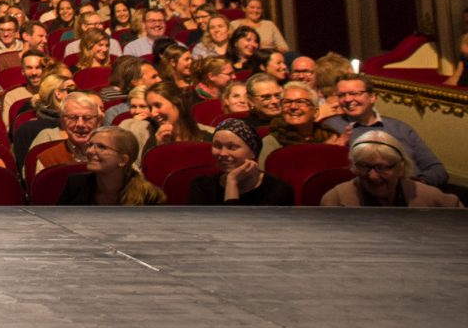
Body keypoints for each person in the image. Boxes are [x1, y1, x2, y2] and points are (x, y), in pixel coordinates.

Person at [324, 74, 448, 186]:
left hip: (416, 191)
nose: (347, 99)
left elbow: (437, 169)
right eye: (342, 95)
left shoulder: (400, 127)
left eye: (355, 93)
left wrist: (419, 184)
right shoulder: (331, 127)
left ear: (372, 97)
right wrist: (335, 151)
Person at [319, 132, 464, 208]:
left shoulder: (430, 197)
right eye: (364, 166)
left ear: (401, 167)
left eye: (382, 167)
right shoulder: (335, 199)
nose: (373, 176)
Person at [187, 117, 294, 206]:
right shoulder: (202, 186)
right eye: (217, 146)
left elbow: (236, 228)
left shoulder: (277, 190)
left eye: (232, 147)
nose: (223, 153)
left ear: (253, 152)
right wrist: (231, 182)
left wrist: (232, 183)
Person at [56, 125, 163, 206]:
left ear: (123, 160)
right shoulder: (75, 184)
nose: (90, 151)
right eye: (90, 145)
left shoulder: (149, 195)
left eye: (101, 147)